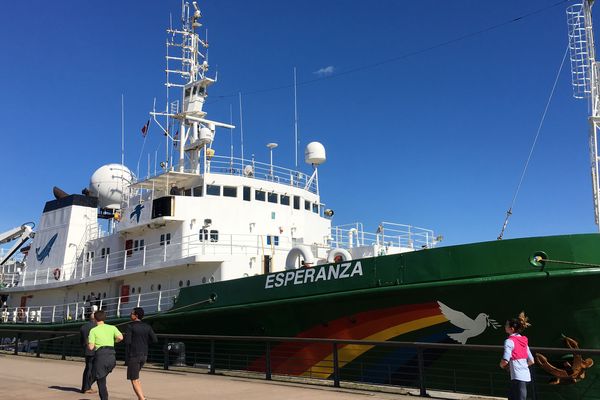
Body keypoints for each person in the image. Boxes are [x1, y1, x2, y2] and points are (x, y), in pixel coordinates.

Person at [88, 309, 123, 400]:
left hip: (101, 355)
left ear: (95, 319)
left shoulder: (93, 330)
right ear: (104, 318)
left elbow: (91, 347)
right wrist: (114, 341)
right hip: (111, 355)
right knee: (102, 374)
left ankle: (104, 398)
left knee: (101, 381)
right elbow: (120, 337)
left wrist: (91, 343)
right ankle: (91, 380)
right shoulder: (112, 327)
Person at [124, 307, 158, 400]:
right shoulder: (147, 326)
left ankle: (142, 398)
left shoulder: (130, 326)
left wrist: (127, 358)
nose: (130, 315)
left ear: (136, 316)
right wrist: (145, 343)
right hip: (144, 354)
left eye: (132, 313)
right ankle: (141, 397)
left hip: (134, 355)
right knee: (136, 377)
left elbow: (127, 342)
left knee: (133, 379)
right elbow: (155, 340)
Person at [499, 312, 535, 400]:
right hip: (525, 376)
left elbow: (505, 360)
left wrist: (501, 365)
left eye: (506, 325)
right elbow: (531, 361)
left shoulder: (509, 341)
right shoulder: (523, 340)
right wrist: (522, 366)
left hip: (516, 377)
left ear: (511, 329)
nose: (505, 326)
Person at [80, 312, 97, 394]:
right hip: (94, 349)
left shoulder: (83, 327)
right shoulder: (96, 327)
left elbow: (81, 340)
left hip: (86, 350)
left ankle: (85, 387)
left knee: (88, 368)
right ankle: (87, 387)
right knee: (93, 369)